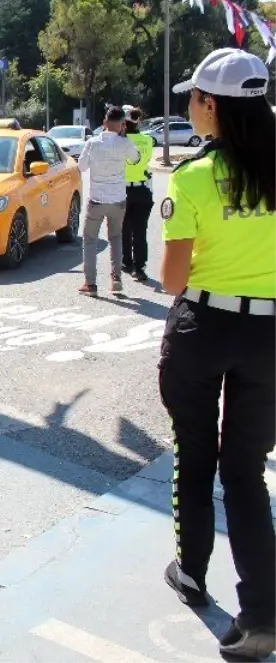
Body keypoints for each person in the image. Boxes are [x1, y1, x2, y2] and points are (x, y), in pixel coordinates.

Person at [157, 48, 276, 659]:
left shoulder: (194, 176)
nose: (188, 108)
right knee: (246, 473)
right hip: (270, 337)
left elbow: (173, 280)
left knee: (196, 454)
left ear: (212, 105)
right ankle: (261, 615)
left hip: (204, 326)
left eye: (193, 98)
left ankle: (193, 573)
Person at [77, 106, 141, 296]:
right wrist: (123, 137)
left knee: (89, 240)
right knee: (115, 238)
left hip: (97, 200)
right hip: (118, 200)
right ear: (122, 125)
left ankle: (90, 284)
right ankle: (116, 279)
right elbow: (136, 159)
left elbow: (81, 166)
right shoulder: (125, 143)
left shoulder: (93, 143)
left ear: (104, 123)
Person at [121, 106, 156, 281]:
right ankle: (139, 268)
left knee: (124, 228)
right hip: (142, 189)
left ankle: (126, 262)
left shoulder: (120, 141)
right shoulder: (148, 141)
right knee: (140, 230)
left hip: (122, 190)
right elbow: (147, 161)